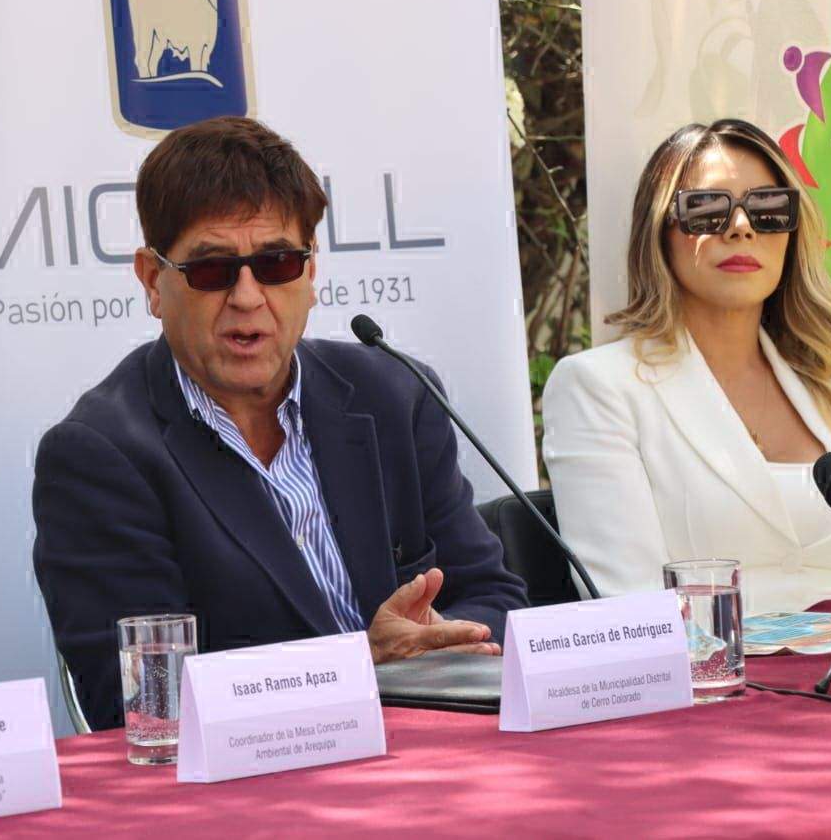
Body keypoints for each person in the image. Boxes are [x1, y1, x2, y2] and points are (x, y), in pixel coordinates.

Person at [32, 116, 527, 729]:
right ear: (153, 281)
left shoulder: (396, 397)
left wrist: (441, 639)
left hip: (436, 747)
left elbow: (495, 597)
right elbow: (145, 701)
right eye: (212, 270)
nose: (247, 297)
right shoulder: (98, 455)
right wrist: (357, 668)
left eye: (276, 263)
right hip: (258, 777)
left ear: (310, 273)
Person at [542, 118, 831, 614]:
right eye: (706, 210)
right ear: (659, 233)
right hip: (717, 663)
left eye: (768, 209)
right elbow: (633, 609)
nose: (741, 227)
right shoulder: (597, 386)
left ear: (792, 233)